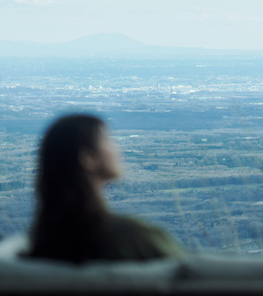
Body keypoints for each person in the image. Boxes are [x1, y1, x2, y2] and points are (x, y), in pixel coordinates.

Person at [28, 113, 184, 264]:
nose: (116, 147)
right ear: (88, 159)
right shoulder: (134, 237)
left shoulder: (43, 242)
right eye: (107, 140)